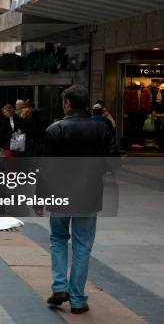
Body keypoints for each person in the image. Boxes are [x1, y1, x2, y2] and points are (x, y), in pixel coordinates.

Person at [43, 85, 119, 314]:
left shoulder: (55, 129)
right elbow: (114, 162)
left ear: (67, 103)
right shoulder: (101, 129)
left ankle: (59, 286)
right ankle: (77, 299)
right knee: (82, 245)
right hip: (88, 194)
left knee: (57, 238)